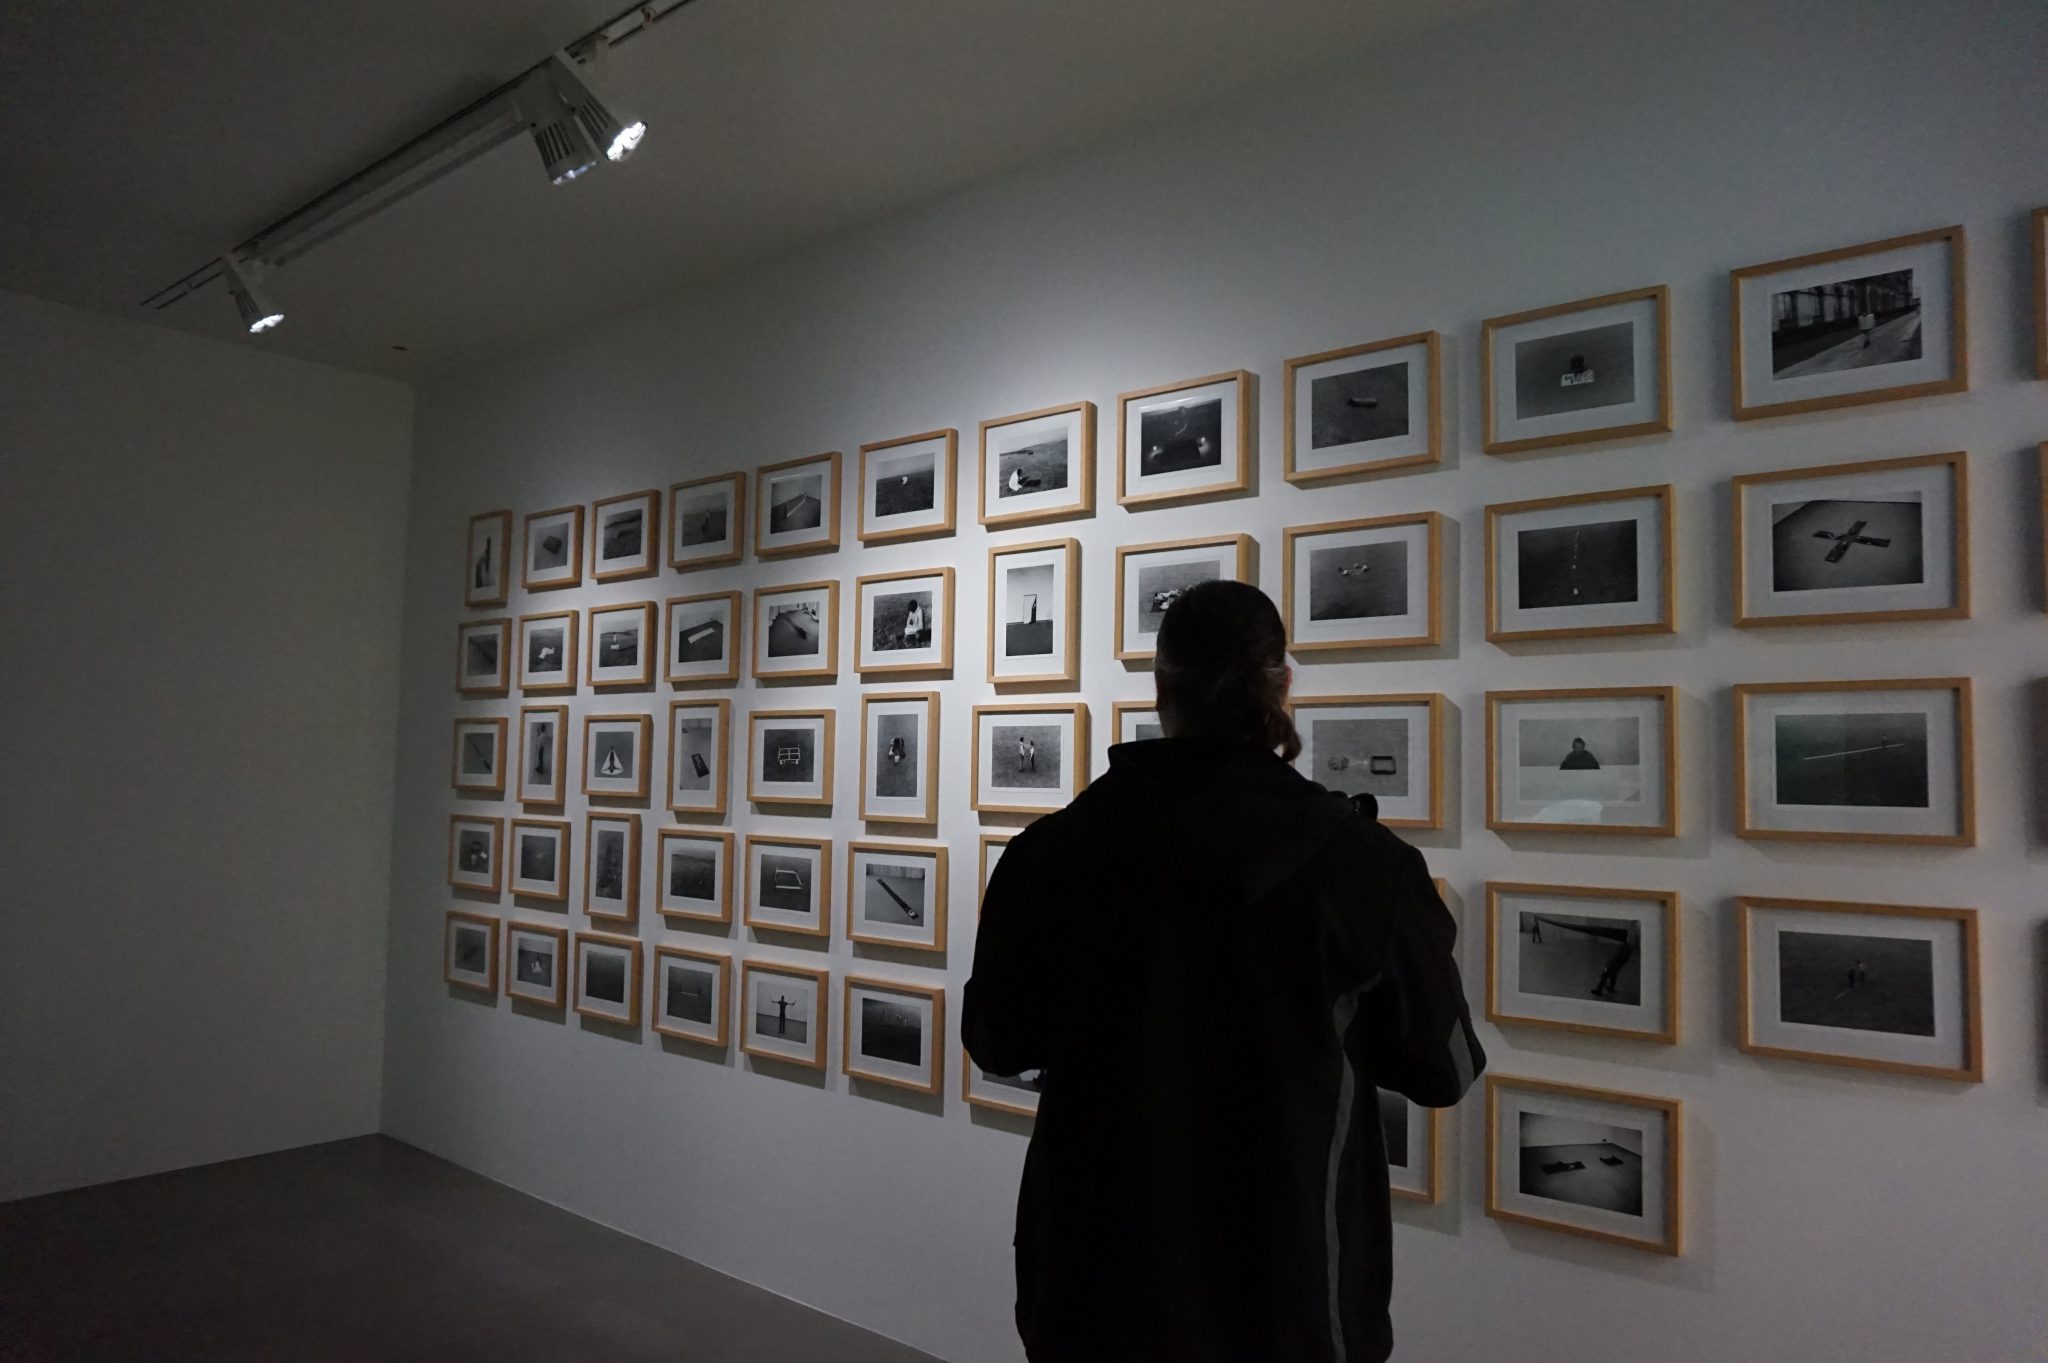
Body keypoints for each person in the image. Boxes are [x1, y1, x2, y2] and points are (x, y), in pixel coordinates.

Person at [965, 580, 1483, 1363]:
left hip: (1092, 1285)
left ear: (1161, 690)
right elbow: (1443, 1067)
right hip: (1292, 1292)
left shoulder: (1053, 851)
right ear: (1282, 685)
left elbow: (997, 1039)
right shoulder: (1365, 865)